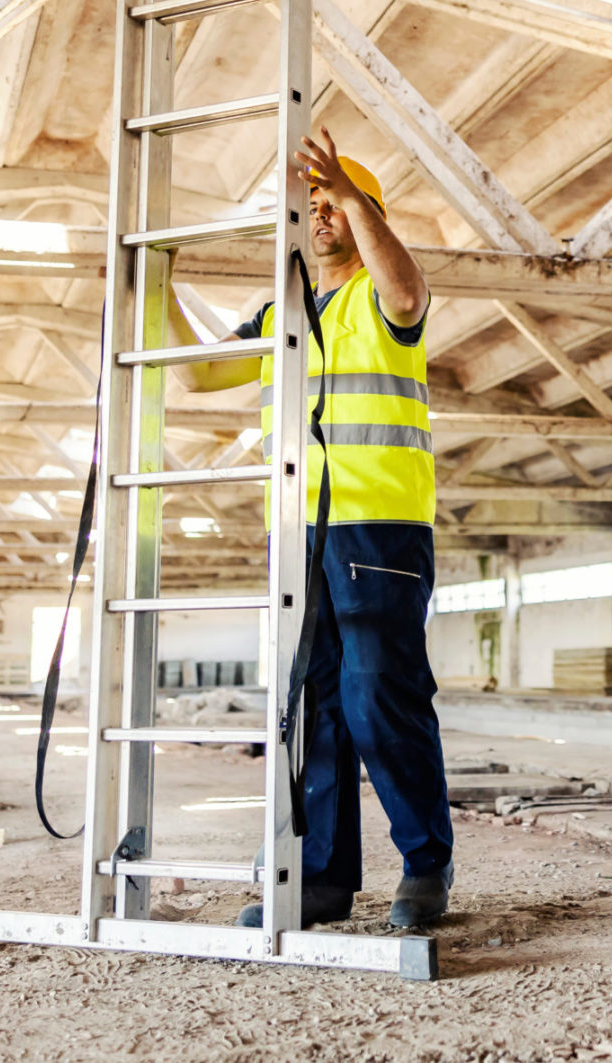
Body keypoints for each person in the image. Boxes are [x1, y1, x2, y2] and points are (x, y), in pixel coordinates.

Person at [170, 126, 453, 930]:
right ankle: (323, 876)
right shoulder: (280, 309)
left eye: (333, 201)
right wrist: (153, 282)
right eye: (312, 204)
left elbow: (407, 292)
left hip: (380, 530)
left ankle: (426, 865)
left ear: (363, 211)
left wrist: (359, 197)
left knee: (378, 696)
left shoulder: (380, 296)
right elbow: (196, 372)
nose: (320, 214)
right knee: (311, 705)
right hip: (296, 535)